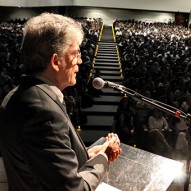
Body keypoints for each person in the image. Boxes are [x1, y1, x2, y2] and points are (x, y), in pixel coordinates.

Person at [0, 13, 121, 191]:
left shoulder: (19, 96)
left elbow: (43, 165)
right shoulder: (42, 111)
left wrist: (88, 155)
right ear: (56, 61)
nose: (80, 61)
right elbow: (73, 189)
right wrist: (104, 157)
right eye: (75, 53)